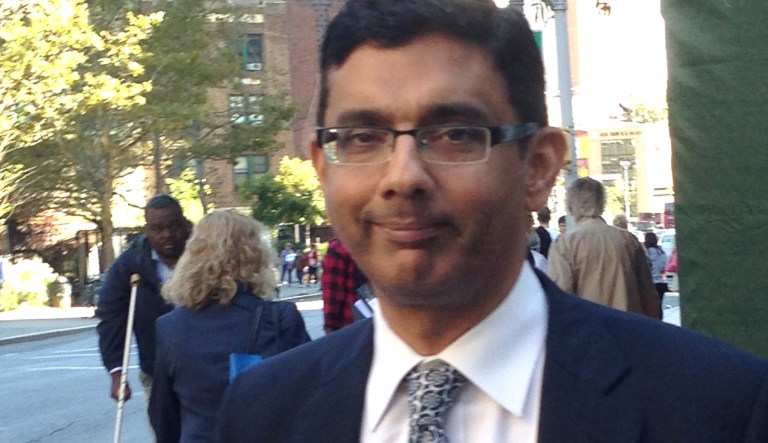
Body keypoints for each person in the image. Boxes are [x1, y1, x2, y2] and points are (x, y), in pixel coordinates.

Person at [216, 2, 768, 442]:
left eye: (455, 134)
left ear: (539, 167)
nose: (403, 177)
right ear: (322, 167)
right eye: (363, 138)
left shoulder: (716, 406)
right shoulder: (262, 412)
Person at [149, 210, 310, 442]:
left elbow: (163, 414)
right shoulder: (280, 318)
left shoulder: (169, 327)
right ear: (254, 255)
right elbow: (308, 399)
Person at [97, 194, 191, 402]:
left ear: (185, 224)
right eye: (157, 229)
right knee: (162, 424)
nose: (167, 235)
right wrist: (117, 373)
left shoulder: (206, 253)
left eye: (174, 226)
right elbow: (111, 318)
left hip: (206, 367)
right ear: (146, 230)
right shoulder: (130, 264)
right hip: (156, 369)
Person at [548, 177, 661, 318]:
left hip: (589, 327)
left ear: (570, 207)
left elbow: (561, 297)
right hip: (629, 325)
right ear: (602, 204)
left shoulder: (565, 244)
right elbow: (648, 295)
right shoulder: (628, 240)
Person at [320, 238, 367, 334]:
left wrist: (329, 323)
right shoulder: (381, 241)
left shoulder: (340, 246)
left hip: (351, 321)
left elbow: (333, 289)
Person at [644, 231, 669, 307]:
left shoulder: (644, 253)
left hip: (648, 283)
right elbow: (664, 268)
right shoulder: (661, 253)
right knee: (659, 306)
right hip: (660, 283)